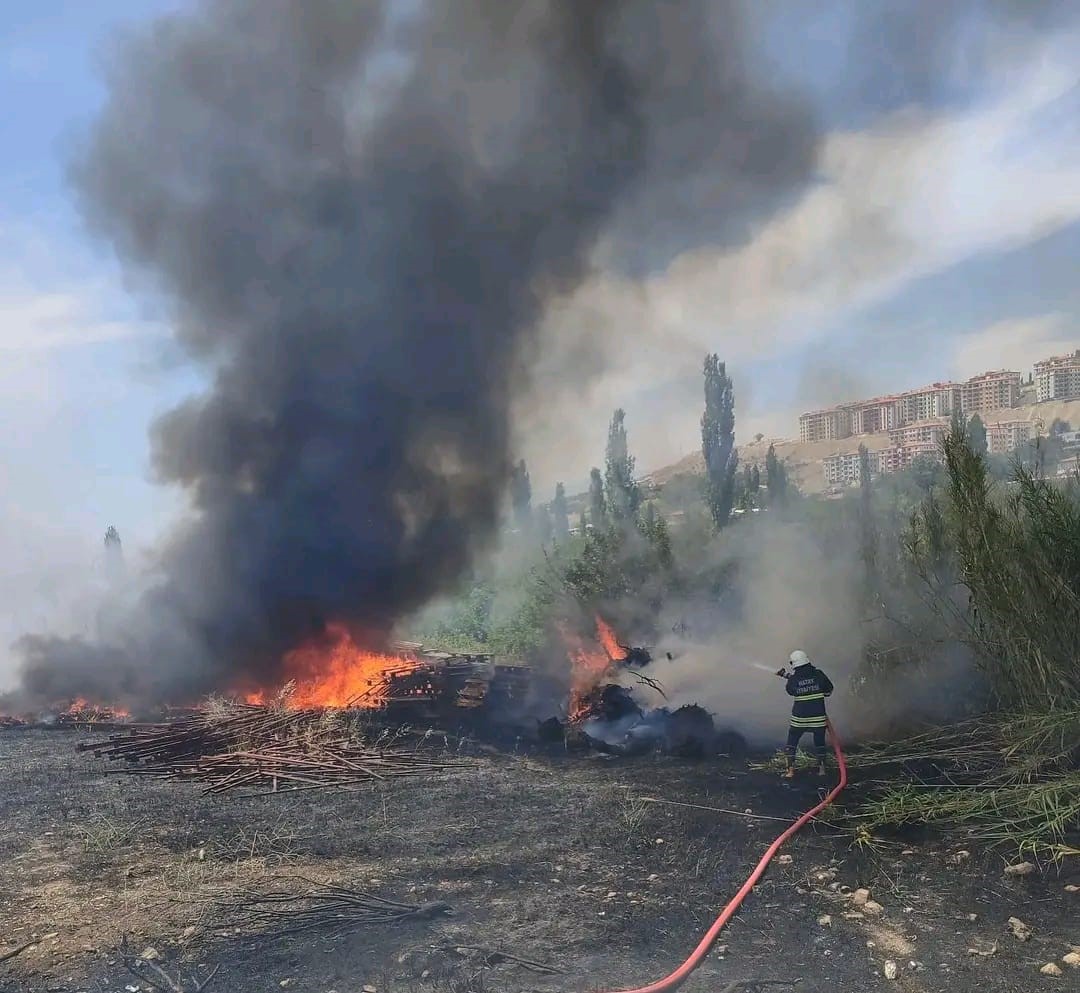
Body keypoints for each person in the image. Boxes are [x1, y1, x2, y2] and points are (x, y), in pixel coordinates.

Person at [779, 649, 833, 778]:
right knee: (819, 742)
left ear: (793, 664)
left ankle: (790, 771)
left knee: (792, 741)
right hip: (818, 718)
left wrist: (787, 677)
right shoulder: (819, 674)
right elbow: (829, 690)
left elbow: (791, 690)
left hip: (799, 719)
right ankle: (822, 770)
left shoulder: (794, 679)